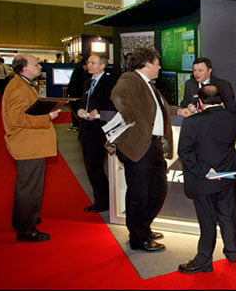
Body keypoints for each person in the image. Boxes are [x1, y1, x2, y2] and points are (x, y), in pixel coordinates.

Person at [110, 47, 191, 252]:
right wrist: (133, 119)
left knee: (157, 190)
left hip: (153, 146)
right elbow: (118, 96)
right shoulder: (131, 78)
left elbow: (161, 108)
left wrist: (179, 111)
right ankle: (138, 238)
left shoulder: (149, 85)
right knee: (138, 195)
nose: (160, 67)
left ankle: (143, 228)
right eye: (157, 63)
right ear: (147, 64)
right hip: (139, 147)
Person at [177, 84, 236, 274]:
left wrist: (205, 170)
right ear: (221, 100)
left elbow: (184, 151)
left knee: (207, 222)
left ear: (199, 102)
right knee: (228, 216)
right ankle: (232, 253)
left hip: (204, 179)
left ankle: (204, 261)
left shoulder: (192, 122)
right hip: (228, 176)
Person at [2, 54, 61, 242]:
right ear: (24, 68)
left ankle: (24, 220)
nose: (40, 66)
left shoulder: (21, 84)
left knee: (29, 185)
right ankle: (26, 230)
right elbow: (17, 119)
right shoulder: (18, 88)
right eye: (36, 64)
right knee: (29, 187)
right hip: (28, 145)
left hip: (31, 144)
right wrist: (48, 118)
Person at [76, 53, 116, 212]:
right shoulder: (87, 82)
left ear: (102, 65)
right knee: (92, 167)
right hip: (87, 129)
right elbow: (82, 101)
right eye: (88, 62)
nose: (89, 65)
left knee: (105, 166)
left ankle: (108, 200)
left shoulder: (110, 82)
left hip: (103, 129)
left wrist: (99, 112)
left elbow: (113, 104)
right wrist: (80, 110)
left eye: (93, 63)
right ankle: (101, 200)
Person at [66, 54, 89, 132]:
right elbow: (73, 84)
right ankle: (76, 125)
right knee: (75, 109)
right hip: (75, 94)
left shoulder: (83, 71)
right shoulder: (79, 71)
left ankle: (78, 124)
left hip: (80, 95)